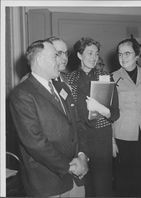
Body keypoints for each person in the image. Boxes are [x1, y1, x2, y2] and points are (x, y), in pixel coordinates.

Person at [9, 40, 88, 197]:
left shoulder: (62, 87)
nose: (60, 61)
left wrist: (82, 155)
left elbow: (76, 124)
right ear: (39, 60)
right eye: (55, 56)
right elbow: (35, 142)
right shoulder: (22, 94)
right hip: (48, 183)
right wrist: (70, 167)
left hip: (76, 179)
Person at [64, 37, 120, 196]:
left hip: (101, 138)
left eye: (96, 53)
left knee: (102, 186)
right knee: (83, 186)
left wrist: (103, 110)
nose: (94, 57)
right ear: (80, 55)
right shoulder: (69, 79)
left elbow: (115, 113)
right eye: (89, 53)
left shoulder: (106, 78)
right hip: (79, 139)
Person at [112, 38, 141, 197]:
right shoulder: (113, 77)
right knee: (125, 181)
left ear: (137, 55)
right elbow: (109, 112)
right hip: (123, 134)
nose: (123, 57)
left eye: (127, 53)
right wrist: (111, 141)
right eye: (120, 54)